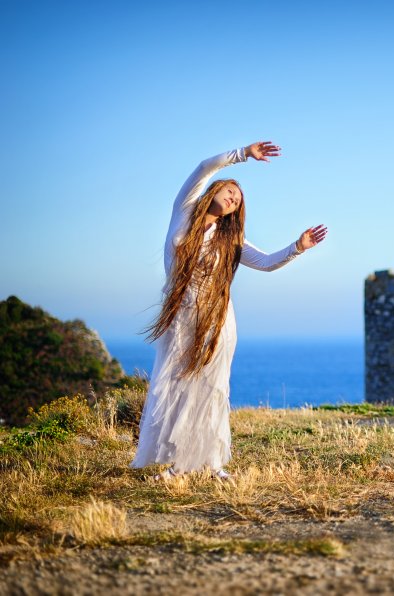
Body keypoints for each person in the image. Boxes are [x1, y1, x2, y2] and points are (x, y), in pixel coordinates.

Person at [130, 141, 326, 481]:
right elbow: (205, 166)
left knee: (213, 387)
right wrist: (243, 155)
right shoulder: (185, 210)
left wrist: (298, 248)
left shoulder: (230, 239)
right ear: (215, 190)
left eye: (238, 199)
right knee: (176, 384)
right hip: (180, 315)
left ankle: (213, 463)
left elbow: (266, 263)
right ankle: (178, 465)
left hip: (217, 319)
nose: (234, 198)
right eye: (231, 191)